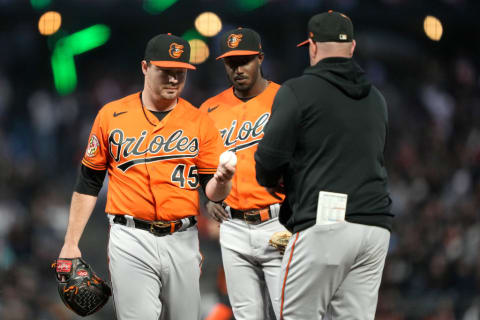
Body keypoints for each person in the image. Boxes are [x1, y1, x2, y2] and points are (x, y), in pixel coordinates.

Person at [57, 33, 235, 320]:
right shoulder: (111, 115)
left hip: (183, 237)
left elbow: (211, 192)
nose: (174, 79)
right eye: (166, 71)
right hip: (130, 237)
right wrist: (70, 241)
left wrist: (223, 179)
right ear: (145, 68)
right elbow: (89, 181)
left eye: (180, 72)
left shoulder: (200, 121)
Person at [254, 11, 393, 320]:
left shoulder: (298, 91)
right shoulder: (378, 99)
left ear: (312, 47)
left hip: (325, 224)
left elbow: (267, 162)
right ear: (352, 47)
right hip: (374, 227)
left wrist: (280, 179)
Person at [199, 27, 287, 320]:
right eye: (230, 63)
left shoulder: (286, 99)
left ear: (260, 58)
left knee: (293, 312)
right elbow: (202, 168)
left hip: (279, 221)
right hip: (233, 226)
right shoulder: (210, 109)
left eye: (245, 60)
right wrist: (209, 200)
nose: (238, 69)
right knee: (246, 315)